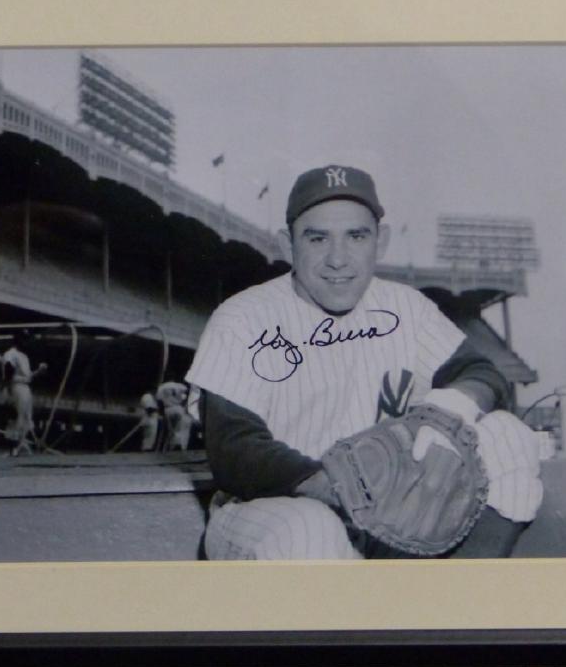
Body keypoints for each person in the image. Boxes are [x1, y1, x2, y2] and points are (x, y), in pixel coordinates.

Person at [185, 164, 543, 560]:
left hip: (385, 512)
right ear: (288, 245)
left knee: (509, 437)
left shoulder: (405, 307)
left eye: (356, 236)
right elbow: (234, 448)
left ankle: (456, 605)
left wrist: (445, 413)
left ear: (381, 241)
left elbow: (483, 374)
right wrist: (351, 491)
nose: (338, 259)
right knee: (309, 532)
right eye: (317, 238)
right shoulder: (242, 317)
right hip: (269, 508)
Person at [0, 329, 48, 456]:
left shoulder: (24, 356)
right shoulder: (11, 353)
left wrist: (38, 371)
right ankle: (13, 447)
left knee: (27, 417)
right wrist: (7, 388)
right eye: (24, 339)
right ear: (18, 340)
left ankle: (21, 444)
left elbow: (28, 376)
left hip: (25, 386)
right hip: (16, 386)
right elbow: (8, 369)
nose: (27, 342)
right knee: (18, 416)